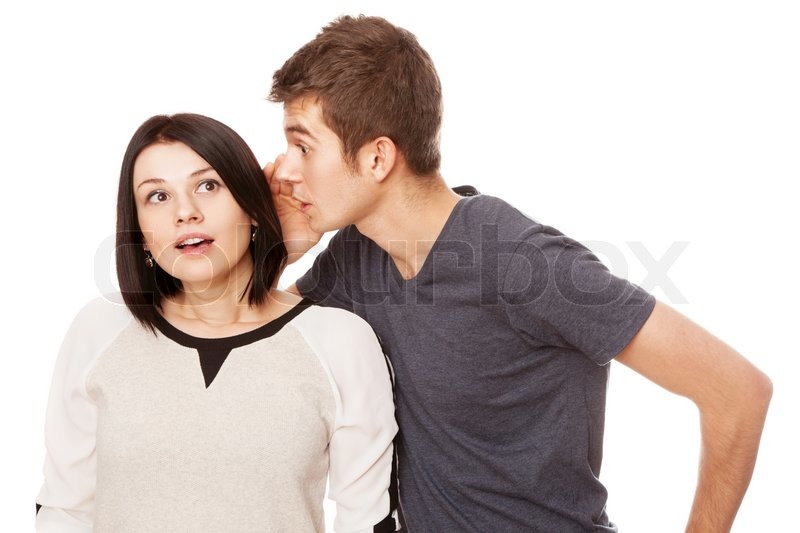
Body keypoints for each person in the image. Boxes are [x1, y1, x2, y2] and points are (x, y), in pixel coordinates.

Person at [265, 15, 773, 532]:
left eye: (303, 147)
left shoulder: (516, 259)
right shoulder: (357, 255)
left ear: (377, 158)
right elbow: (262, 349)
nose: (283, 169)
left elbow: (737, 392)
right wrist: (280, 252)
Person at [36, 113, 398, 532]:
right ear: (140, 230)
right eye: (157, 196)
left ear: (252, 205)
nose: (185, 212)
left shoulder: (340, 342)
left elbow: (366, 520)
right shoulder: (99, 330)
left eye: (207, 186)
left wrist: (273, 254)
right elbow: (64, 510)